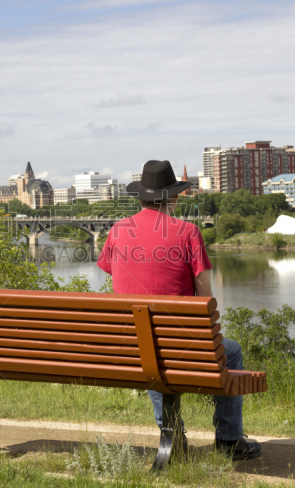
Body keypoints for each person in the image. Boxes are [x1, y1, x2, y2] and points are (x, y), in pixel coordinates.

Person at [96, 159, 261, 460]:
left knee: (151, 349)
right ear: (172, 197)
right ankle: (229, 439)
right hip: (179, 344)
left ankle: (171, 432)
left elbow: (115, 280)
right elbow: (206, 302)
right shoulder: (187, 232)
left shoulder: (118, 231)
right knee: (232, 351)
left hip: (130, 344)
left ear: (141, 197)